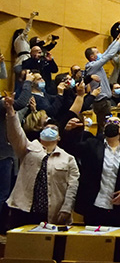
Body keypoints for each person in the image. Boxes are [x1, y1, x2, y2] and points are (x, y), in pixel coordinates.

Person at [3, 96, 79, 227]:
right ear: (40, 134)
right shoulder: (27, 148)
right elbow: (15, 133)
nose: (49, 130)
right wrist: (10, 112)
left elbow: (72, 187)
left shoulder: (68, 159)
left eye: (54, 129)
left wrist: (66, 209)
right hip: (23, 209)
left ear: (59, 137)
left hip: (51, 212)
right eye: (46, 128)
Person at [68, 116, 120, 227]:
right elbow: (71, 148)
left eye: (116, 122)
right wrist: (70, 131)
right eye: (109, 122)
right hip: (95, 207)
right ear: (104, 129)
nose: (112, 124)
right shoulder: (91, 145)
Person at [85, 30, 120, 123]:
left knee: (104, 124)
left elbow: (107, 51)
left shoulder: (96, 64)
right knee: (105, 124)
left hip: (104, 101)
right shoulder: (92, 66)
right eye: (97, 52)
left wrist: (116, 39)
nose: (100, 53)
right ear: (92, 57)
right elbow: (109, 55)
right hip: (101, 102)